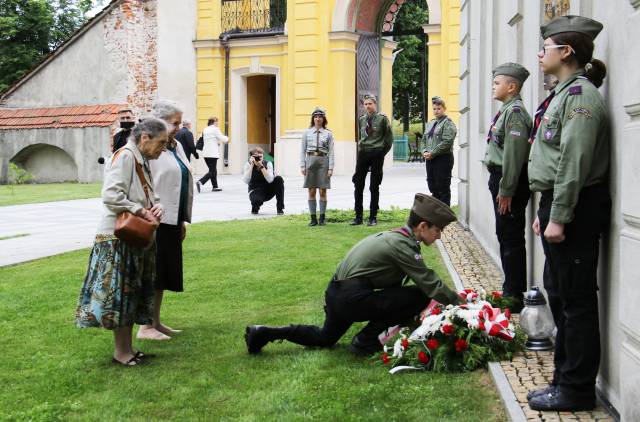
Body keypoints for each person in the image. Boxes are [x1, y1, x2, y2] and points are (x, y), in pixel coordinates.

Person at [244, 194, 462, 356]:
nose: (439, 236)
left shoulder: (395, 237)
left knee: (324, 338)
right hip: (351, 297)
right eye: (437, 230)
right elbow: (430, 283)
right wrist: (462, 305)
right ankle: (365, 341)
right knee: (418, 296)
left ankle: (263, 332)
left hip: (337, 293)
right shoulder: (403, 245)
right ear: (423, 226)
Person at [526, 15, 610, 412]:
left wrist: (559, 214)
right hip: (560, 204)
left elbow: (574, 161)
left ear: (567, 51)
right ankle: (565, 377)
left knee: (575, 302)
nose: (541, 52)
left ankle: (576, 390)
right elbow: (555, 157)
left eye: (548, 45)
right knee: (559, 295)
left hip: (575, 207)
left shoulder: (580, 96)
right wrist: (547, 211)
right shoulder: (563, 93)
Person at [75, 117, 167, 366]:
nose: (164, 148)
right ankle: (121, 352)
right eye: (161, 142)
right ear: (145, 137)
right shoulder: (126, 156)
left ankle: (127, 349)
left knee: (130, 293)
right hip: (117, 238)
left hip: (133, 237)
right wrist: (140, 210)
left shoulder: (141, 159)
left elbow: (146, 194)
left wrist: (155, 207)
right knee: (120, 295)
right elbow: (111, 195)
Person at [137, 100, 194, 341]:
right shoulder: (149, 146)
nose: (179, 128)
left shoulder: (175, 145)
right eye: (175, 123)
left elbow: (181, 180)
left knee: (163, 274)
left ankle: (156, 322)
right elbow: (142, 182)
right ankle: (145, 327)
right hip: (154, 219)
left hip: (172, 218)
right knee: (152, 273)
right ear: (159, 122)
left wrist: (181, 219)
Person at [483, 63, 533, 313]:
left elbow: (514, 155)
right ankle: (510, 288)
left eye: (496, 83)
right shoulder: (506, 111)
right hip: (503, 178)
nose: (493, 86)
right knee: (506, 235)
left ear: (511, 86)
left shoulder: (514, 113)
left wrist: (507, 189)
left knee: (511, 236)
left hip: (508, 179)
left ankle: (514, 295)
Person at [351, 95, 393, 227]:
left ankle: (373, 217)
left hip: (377, 153)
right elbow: (361, 136)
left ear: (375, 104)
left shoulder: (382, 119)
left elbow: (389, 139)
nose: (368, 106)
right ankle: (358, 216)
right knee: (358, 184)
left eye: (370, 103)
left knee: (374, 186)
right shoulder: (361, 120)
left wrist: (381, 152)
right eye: (365, 104)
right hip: (364, 153)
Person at [300, 107, 335, 226]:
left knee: (323, 190)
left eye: (320, 116)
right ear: (313, 118)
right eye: (316, 117)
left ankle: (322, 218)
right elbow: (302, 150)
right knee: (311, 190)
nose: (318, 119)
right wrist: (302, 165)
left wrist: (330, 168)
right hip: (310, 160)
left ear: (323, 118)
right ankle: (313, 218)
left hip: (323, 161)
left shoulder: (328, 133)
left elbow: (331, 152)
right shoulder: (307, 133)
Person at [423, 97, 457, 206]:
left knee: (443, 187)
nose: (436, 111)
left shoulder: (448, 123)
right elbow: (424, 139)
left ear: (444, 109)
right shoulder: (431, 123)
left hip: (443, 159)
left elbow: (447, 142)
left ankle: (445, 215)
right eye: (434, 109)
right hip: (430, 158)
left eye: (438, 108)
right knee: (432, 185)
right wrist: (424, 151)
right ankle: (436, 213)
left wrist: (432, 153)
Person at [242, 147, 285, 215]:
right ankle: (255, 207)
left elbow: (270, 180)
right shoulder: (248, 164)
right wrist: (252, 166)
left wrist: (261, 166)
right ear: (251, 157)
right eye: (256, 156)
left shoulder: (268, 163)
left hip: (268, 190)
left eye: (260, 156)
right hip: (255, 190)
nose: (258, 158)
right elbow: (246, 181)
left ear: (263, 156)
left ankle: (280, 208)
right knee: (256, 200)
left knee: (278, 179)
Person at [196, 117, 228, 192]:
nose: (217, 123)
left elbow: (207, 140)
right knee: (212, 171)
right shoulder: (215, 129)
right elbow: (223, 138)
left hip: (206, 153)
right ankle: (200, 182)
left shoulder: (205, 129)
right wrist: (227, 138)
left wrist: (216, 142)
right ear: (213, 122)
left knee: (213, 170)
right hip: (212, 153)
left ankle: (215, 186)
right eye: (217, 122)